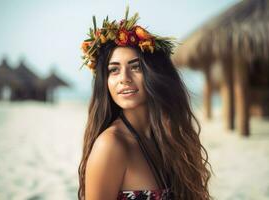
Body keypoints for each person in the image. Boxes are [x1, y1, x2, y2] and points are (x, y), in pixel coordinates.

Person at [78, 7, 212, 200]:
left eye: (136, 67)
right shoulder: (110, 145)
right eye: (114, 70)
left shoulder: (170, 138)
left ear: (155, 73)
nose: (124, 78)